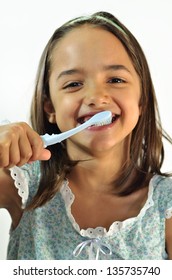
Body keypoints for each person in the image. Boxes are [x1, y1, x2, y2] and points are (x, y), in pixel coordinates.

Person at [0, 11, 172, 260]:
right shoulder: (22, 183)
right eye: (73, 84)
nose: (96, 97)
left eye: (115, 79)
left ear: (141, 100)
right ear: (50, 107)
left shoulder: (166, 204)